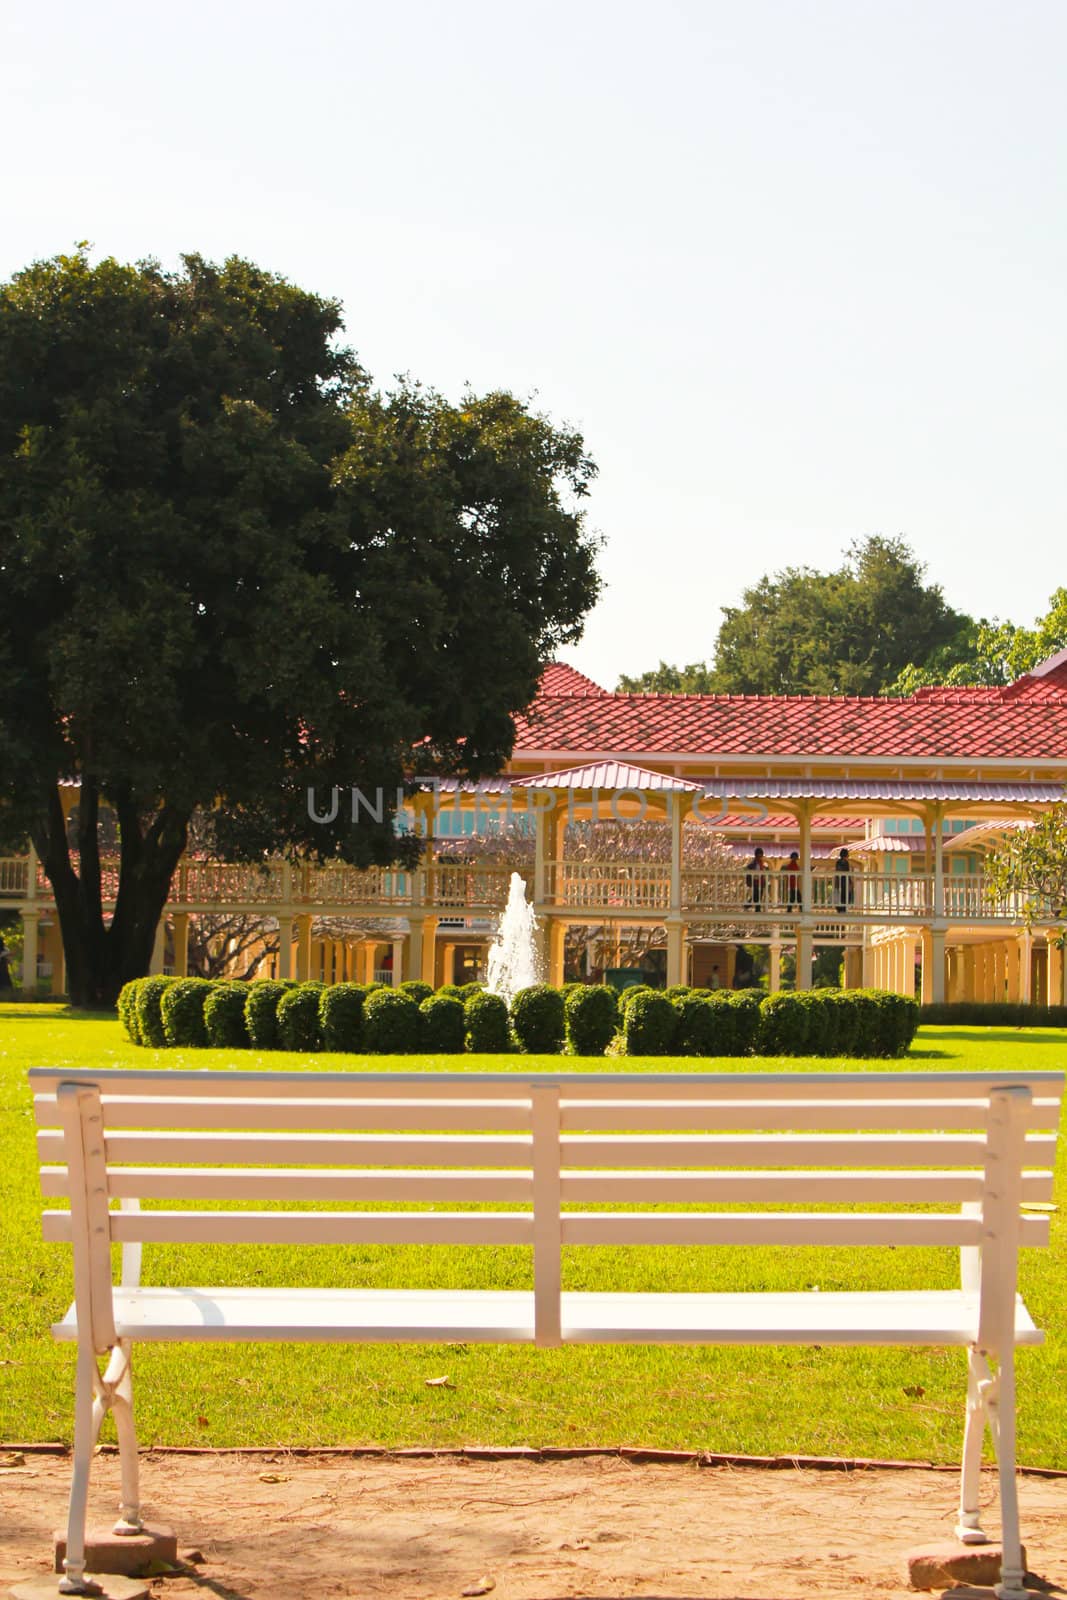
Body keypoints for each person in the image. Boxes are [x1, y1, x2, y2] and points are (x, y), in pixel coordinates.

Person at [833, 847, 855, 914]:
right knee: (845, 897)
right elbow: (846, 873)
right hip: (844, 882)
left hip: (840, 882)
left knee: (841, 897)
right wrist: (850, 883)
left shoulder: (838, 862)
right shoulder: (845, 862)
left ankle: (840, 910)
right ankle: (843, 910)